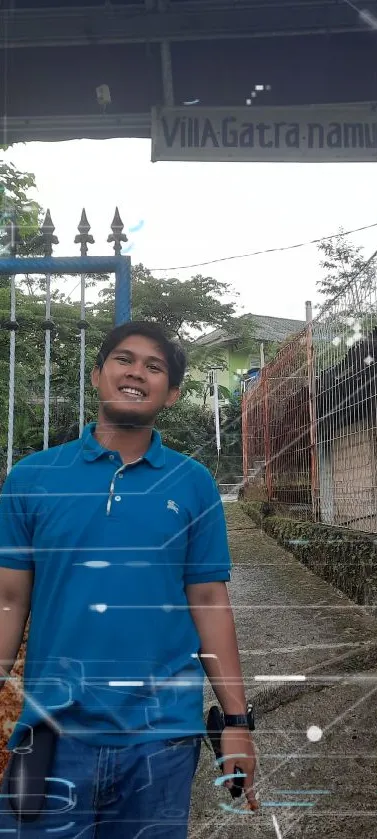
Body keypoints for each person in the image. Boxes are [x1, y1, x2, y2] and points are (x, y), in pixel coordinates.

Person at [0, 321, 257, 837]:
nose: (137, 372)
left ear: (173, 393)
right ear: (98, 375)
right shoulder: (32, 478)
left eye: (154, 366)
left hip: (161, 744)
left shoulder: (192, 483)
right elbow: (9, 597)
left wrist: (236, 723)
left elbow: (208, 600)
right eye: (124, 359)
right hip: (51, 736)